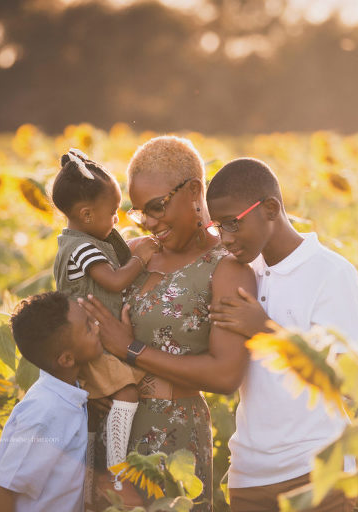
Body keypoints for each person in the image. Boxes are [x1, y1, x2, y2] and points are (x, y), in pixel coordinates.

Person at [79, 136, 256, 512]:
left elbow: (225, 376)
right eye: (140, 211)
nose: (150, 222)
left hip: (170, 443)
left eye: (157, 207)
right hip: (103, 431)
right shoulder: (133, 253)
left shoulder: (226, 268)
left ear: (194, 191)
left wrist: (130, 349)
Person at [206, 158, 358, 512]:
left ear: (270, 208)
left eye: (233, 223)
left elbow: (348, 383)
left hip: (319, 473)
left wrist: (265, 328)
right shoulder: (242, 273)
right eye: (218, 227)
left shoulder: (331, 273)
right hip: (248, 476)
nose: (226, 239)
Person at [50, 149, 159, 490]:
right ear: (85, 214)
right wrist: (140, 259)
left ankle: (96, 468)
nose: (117, 219)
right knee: (126, 391)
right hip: (91, 340)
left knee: (98, 410)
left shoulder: (86, 241)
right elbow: (113, 280)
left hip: (96, 337)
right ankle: (116, 463)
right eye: (112, 213)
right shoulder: (82, 248)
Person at [0, 291, 103, 512]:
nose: (97, 326)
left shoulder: (66, 395)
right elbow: (3, 489)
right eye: (88, 327)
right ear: (67, 359)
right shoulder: (45, 412)